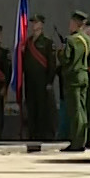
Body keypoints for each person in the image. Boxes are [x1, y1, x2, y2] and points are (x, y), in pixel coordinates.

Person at [60, 12, 90, 152]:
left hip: (73, 79)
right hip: (84, 76)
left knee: (75, 111)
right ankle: (83, 139)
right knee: (82, 109)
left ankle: (77, 142)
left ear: (76, 24)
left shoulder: (71, 40)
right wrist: (84, 67)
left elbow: (65, 59)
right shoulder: (87, 40)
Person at [20, 16, 59, 151]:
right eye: (32, 22)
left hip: (42, 80)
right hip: (30, 80)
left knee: (43, 108)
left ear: (42, 24)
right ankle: (33, 133)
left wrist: (49, 81)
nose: (33, 25)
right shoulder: (28, 42)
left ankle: (43, 134)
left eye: (36, 22)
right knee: (31, 107)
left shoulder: (47, 42)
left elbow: (52, 64)